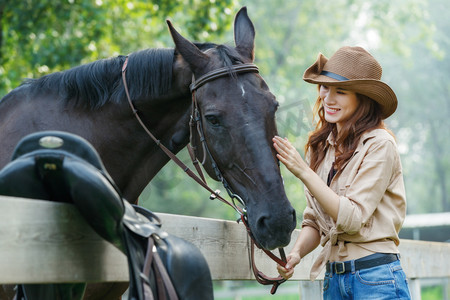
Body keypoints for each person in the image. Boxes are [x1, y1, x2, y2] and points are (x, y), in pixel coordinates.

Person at [273, 46, 411, 299]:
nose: (328, 99)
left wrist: (304, 172)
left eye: (341, 91)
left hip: (375, 278)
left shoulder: (380, 144)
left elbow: (353, 217)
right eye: (325, 88)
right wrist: (296, 253)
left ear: (363, 99)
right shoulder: (321, 147)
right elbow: (316, 219)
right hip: (333, 279)